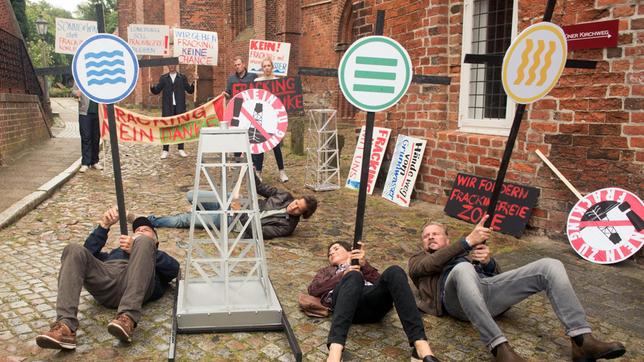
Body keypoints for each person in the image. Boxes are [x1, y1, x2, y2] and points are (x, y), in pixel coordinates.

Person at [408, 215, 626, 362]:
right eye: (426, 236)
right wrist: (466, 241)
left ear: (447, 239)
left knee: (549, 265)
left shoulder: (465, 254)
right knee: (464, 269)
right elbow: (429, 265)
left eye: (435, 234)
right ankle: (500, 348)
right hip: (456, 301)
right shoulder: (418, 261)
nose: (430, 237)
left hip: (485, 294)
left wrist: (488, 263)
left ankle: (581, 341)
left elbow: (499, 280)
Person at [36, 207, 180, 350]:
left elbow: (173, 269)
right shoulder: (114, 253)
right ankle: (65, 327)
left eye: (146, 230)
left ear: (156, 242)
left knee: (143, 242)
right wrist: (103, 226)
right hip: (106, 280)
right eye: (137, 231)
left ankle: (127, 319)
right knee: (73, 249)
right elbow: (86, 254)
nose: (140, 231)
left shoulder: (156, 256)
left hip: (136, 284)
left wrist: (143, 247)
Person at [308, 241, 440, 362]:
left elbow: (383, 283)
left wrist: (364, 265)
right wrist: (343, 274)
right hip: (344, 304)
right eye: (329, 253)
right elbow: (314, 289)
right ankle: (335, 352)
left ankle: (421, 347)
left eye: (336, 248)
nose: (331, 252)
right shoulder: (326, 271)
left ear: (350, 251)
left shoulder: (364, 264)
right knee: (353, 276)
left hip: (371, 303)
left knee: (395, 271)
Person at [147, 175, 317, 239]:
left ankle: (151, 221)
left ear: (302, 214)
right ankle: (205, 208)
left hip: (233, 221)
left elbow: (258, 232)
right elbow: (260, 188)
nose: (293, 207)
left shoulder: (287, 226)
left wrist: (240, 213)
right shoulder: (284, 196)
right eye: (296, 202)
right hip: (236, 202)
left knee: (186, 219)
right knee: (192, 195)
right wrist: (250, 167)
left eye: (298, 209)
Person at [251, 57, 288, 182]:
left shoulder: (277, 81)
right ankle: (258, 172)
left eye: (269, 65)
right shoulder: (257, 81)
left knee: (276, 146)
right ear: (262, 68)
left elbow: (282, 101)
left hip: (273, 118)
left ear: (272, 67)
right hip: (261, 117)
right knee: (260, 146)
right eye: (265, 66)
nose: (267, 68)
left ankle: (282, 172)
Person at [150, 64, 195, 159]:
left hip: (180, 107)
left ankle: (181, 149)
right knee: (167, 128)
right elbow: (156, 91)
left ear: (176, 66)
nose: (171, 67)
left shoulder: (182, 77)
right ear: (167, 66)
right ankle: (165, 150)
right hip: (167, 107)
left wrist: (194, 81)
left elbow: (190, 90)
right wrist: (151, 84)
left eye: (173, 65)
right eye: (170, 65)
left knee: (180, 128)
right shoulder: (163, 78)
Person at [72, 83, 102, 173]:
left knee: (96, 138)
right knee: (86, 137)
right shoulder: (81, 77)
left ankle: (94, 161)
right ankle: (85, 163)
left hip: (99, 113)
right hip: (85, 113)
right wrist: (76, 93)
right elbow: (73, 91)